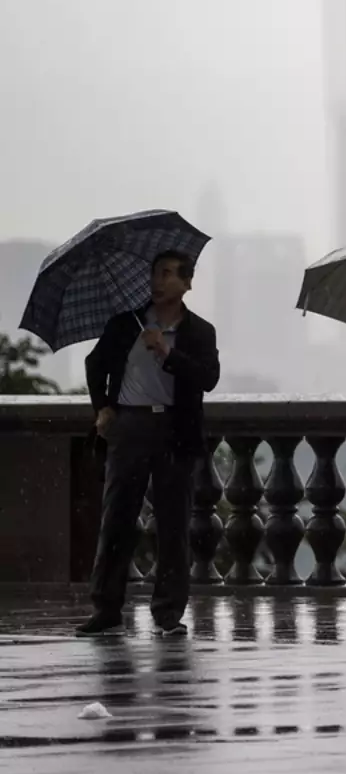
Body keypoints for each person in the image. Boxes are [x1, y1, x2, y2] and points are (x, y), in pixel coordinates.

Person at [78, 251, 220, 637]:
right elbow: (95, 364)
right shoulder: (126, 324)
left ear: (187, 283)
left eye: (168, 274)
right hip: (130, 425)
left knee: (173, 525)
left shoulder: (199, 332)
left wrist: (168, 352)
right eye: (155, 274)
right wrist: (102, 407)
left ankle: (168, 613)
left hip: (175, 429)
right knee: (117, 519)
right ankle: (106, 608)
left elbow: (208, 378)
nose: (158, 282)